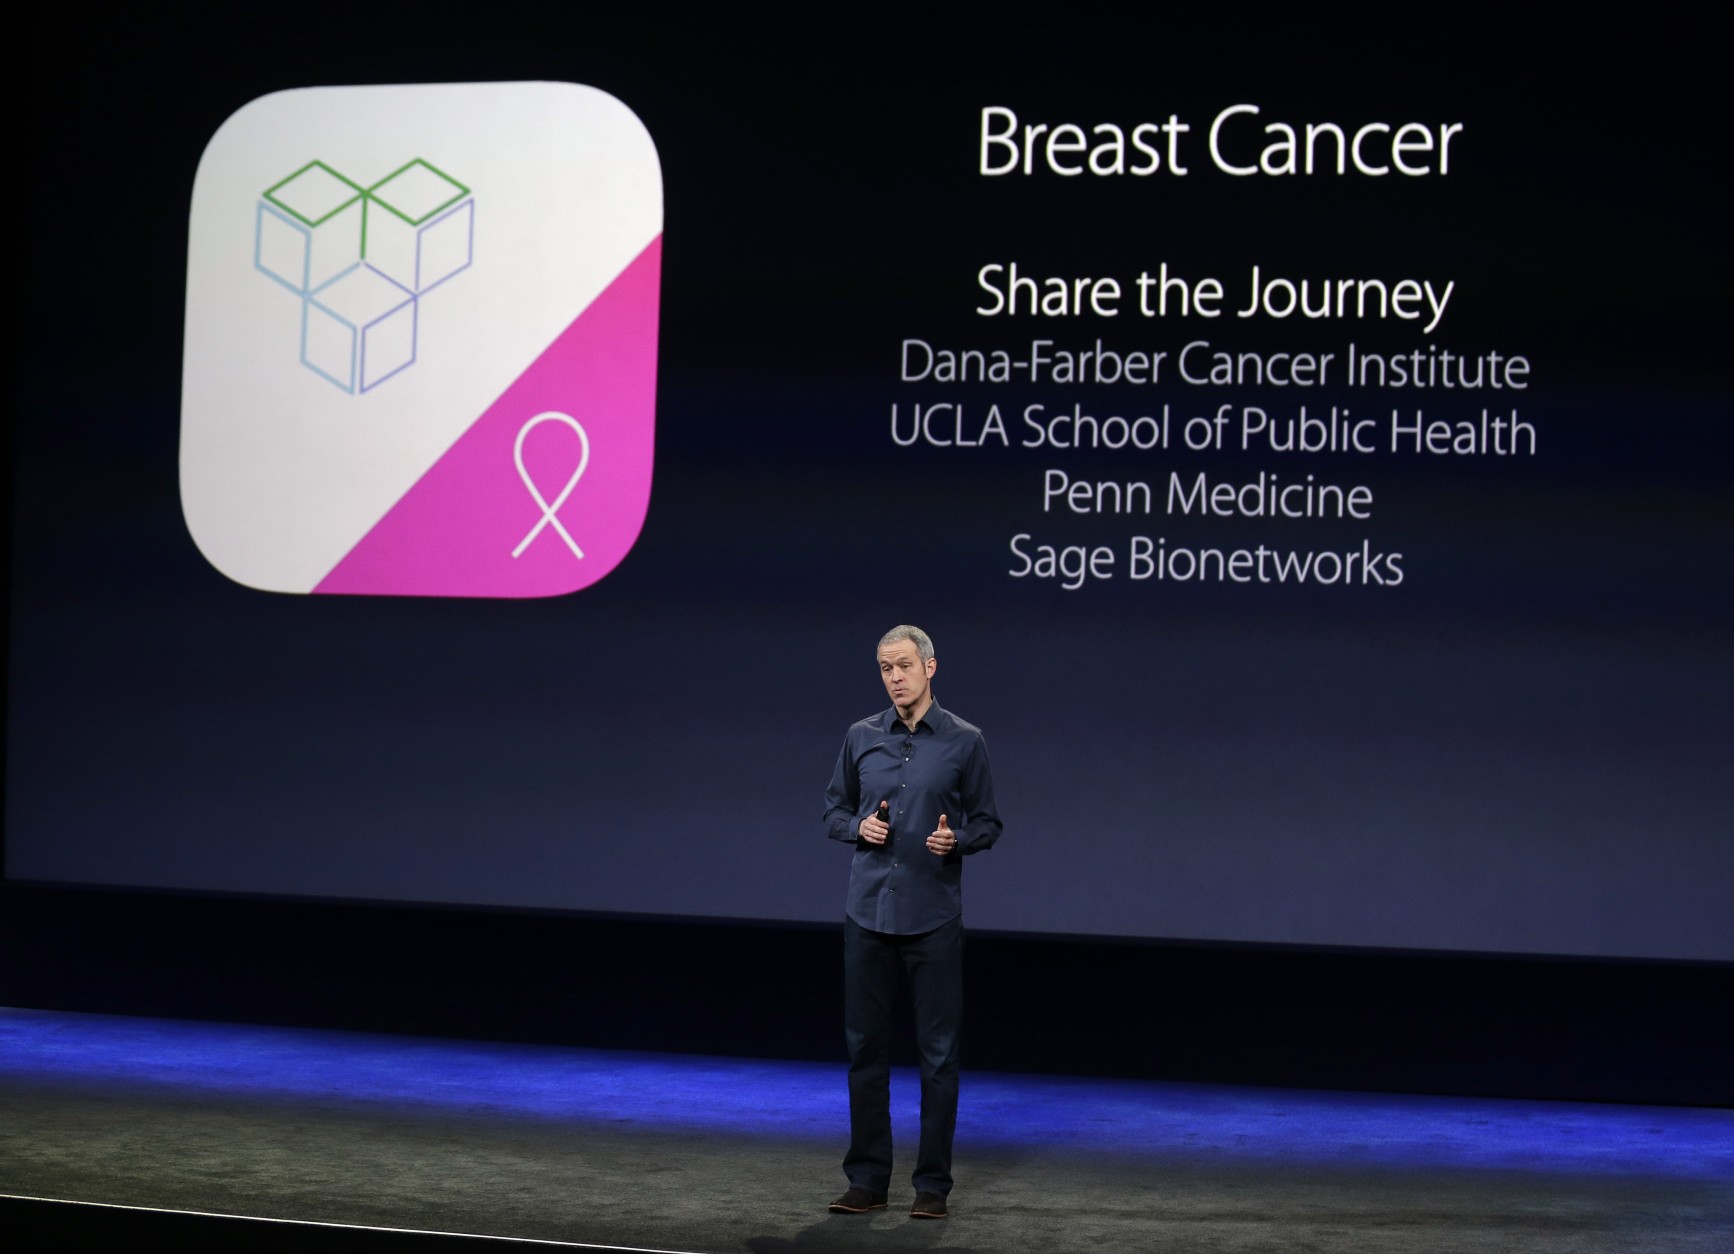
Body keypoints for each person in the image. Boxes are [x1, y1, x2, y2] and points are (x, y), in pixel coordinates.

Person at [822, 624, 1003, 1220]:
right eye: (884, 668)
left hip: (932, 919)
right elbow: (834, 808)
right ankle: (868, 1179)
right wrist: (857, 828)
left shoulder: (964, 741)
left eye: (903, 666)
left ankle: (932, 1187)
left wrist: (958, 841)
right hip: (867, 914)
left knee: (937, 1056)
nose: (894, 677)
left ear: (930, 667)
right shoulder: (860, 736)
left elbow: (988, 823)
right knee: (865, 1052)